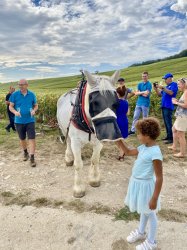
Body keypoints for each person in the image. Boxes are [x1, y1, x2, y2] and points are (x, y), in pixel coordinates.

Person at [119, 117, 163, 250]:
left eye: (139, 133)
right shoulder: (144, 147)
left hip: (146, 186)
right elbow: (127, 152)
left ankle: (151, 242)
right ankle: (141, 232)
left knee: (150, 213)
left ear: (147, 136)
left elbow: (160, 177)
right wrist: (118, 140)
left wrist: (154, 198)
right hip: (137, 184)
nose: (137, 135)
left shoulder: (155, 153)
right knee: (144, 211)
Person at [9, 79, 38, 167]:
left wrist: (34, 110)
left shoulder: (32, 94)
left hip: (30, 120)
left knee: (32, 139)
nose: (20, 86)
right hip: (19, 121)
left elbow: (36, 105)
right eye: (19, 84)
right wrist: (15, 112)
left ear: (27, 85)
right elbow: (11, 106)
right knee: (22, 139)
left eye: (22, 84)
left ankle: (32, 157)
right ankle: (25, 152)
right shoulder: (15, 94)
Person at [153, 73, 178, 144]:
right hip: (164, 106)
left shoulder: (174, 85)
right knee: (166, 122)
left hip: (168, 106)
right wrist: (156, 89)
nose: (164, 80)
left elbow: (171, 93)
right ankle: (168, 136)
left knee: (168, 122)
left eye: (165, 79)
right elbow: (159, 94)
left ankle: (171, 138)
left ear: (169, 78)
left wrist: (162, 87)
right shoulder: (167, 86)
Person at [169, 78, 187, 158]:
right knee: (174, 129)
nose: (178, 85)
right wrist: (178, 101)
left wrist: (176, 102)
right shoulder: (185, 92)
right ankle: (174, 146)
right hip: (181, 116)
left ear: (184, 84)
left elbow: (186, 105)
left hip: (183, 116)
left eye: (179, 84)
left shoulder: (186, 92)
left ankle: (182, 153)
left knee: (181, 134)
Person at [116, 86, 129, 160]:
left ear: (117, 94)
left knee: (118, 139)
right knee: (121, 138)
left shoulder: (116, 102)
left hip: (117, 120)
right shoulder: (126, 102)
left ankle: (122, 153)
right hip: (124, 120)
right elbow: (127, 113)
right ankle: (122, 151)